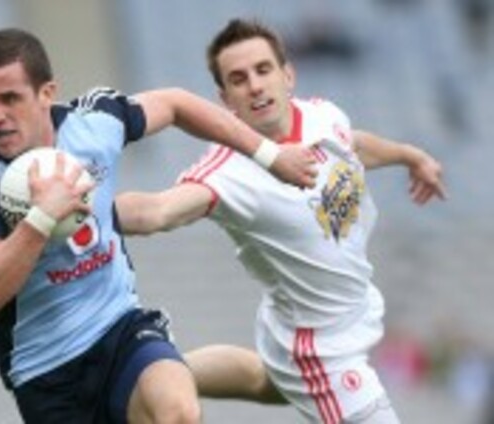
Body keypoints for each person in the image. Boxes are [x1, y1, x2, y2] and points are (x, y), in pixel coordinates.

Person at [0, 27, 318, 424]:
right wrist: (40, 219)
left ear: (46, 93)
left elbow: (175, 104)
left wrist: (270, 156)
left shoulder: (94, 123)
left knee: (178, 413)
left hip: (120, 328)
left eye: (9, 99)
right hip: (47, 374)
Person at [116, 18, 446, 423]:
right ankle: (144, 384)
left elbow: (353, 145)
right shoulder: (228, 172)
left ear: (288, 75)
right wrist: (80, 208)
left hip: (336, 312)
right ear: (225, 99)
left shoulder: (323, 115)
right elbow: (156, 211)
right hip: (321, 348)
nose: (255, 86)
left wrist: (409, 156)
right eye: (238, 79)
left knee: (263, 382)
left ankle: (147, 378)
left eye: (263, 70)